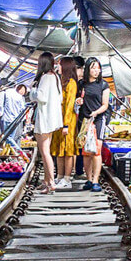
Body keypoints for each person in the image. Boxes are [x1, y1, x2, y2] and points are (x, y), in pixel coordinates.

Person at [76, 57, 110, 192]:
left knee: (96, 149)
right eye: (93, 68)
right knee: (86, 152)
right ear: (88, 69)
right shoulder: (81, 84)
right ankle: (88, 179)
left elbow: (105, 105)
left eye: (98, 68)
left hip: (98, 119)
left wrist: (95, 113)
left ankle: (96, 180)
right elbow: (78, 99)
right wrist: (78, 100)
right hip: (84, 120)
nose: (96, 71)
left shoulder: (103, 84)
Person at [31, 52, 63, 193]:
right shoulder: (55, 77)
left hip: (44, 118)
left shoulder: (45, 77)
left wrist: (32, 90)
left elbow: (41, 97)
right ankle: (46, 181)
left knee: (45, 152)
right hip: (52, 118)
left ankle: (50, 183)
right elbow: (60, 98)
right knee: (46, 151)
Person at [51, 56, 79, 188]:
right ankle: (59, 176)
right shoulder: (60, 81)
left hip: (67, 121)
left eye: (60, 65)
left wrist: (66, 124)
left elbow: (69, 105)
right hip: (58, 119)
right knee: (58, 149)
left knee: (67, 150)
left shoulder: (72, 83)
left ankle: (67, 179)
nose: (58, 67)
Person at [0, 84, 27, 148]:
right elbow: (22, 109)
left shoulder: (4, 93)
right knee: (10, 139)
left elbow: (0, 107)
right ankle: (11, 155)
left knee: (7, 138)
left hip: (6, 119)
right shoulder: (19, 96)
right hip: (15, 120)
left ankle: (19, 152)